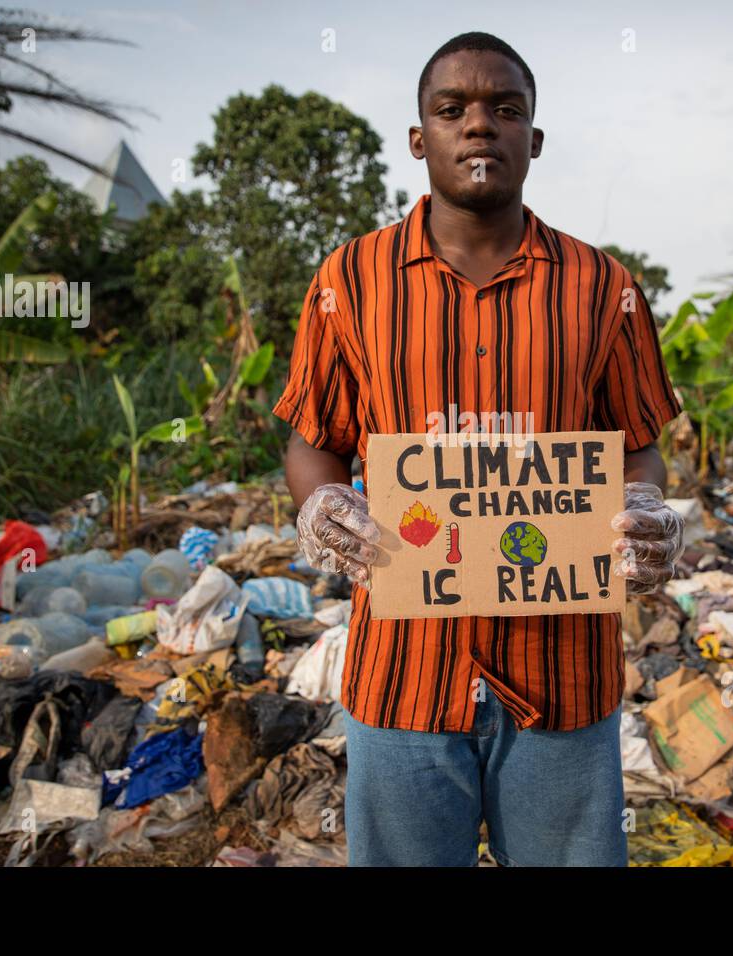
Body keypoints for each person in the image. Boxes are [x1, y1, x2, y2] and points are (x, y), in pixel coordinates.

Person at [273, 31, 684, 866]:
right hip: (404, 674)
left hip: (563, 674)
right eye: (452, 108)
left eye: (505, 109)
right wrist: (320, 503)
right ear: (419, 139)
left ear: (533, 140)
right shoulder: (346, 282)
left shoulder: (605, 288)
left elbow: (638, 446)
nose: (479, 127)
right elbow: (313, 441)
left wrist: (643, 505)